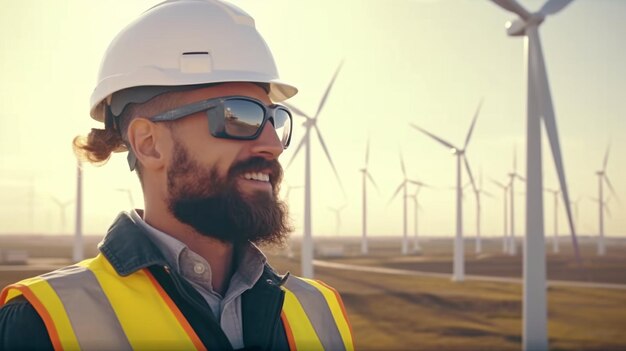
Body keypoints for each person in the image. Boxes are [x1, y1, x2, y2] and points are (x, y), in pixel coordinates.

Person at [0, 1, 355, 350]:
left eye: (275, 120)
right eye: (238, 117)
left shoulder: (320, 310)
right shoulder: (43, 323)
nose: (273, 144)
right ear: (150, 144)